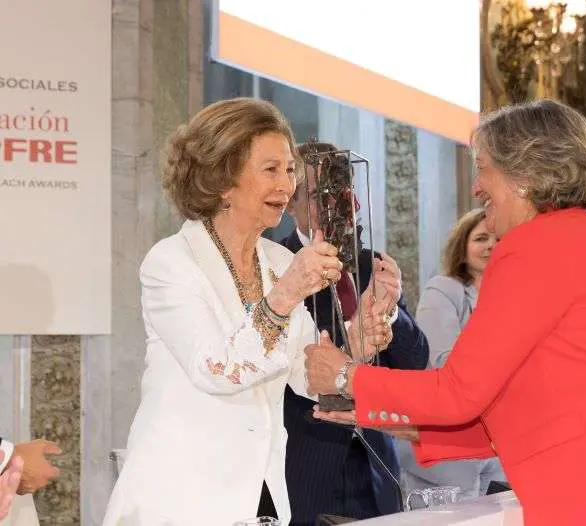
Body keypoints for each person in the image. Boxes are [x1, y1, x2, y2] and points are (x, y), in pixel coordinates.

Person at [305, 99, 586, 525]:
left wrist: (345, 375)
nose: (475, 189)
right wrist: (391, 419)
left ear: (524, 173)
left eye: (483, 168)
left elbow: (457, 392)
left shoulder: (534, 246)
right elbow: (534, 413)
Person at [102, 98, 391, 526]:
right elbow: (216, 370)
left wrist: (356, 341)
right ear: (222, 179)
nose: (286, 184)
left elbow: (308, 378)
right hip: (182, 498)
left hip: (262, 494)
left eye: (290, 169)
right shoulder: (171, 262)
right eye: (270, 169)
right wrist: (287, 293)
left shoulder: (277, 260)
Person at [281, 142, 429, 524]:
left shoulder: (371, 263)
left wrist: (392, 313)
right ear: (292, 203)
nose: (337, 207)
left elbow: (415, 362)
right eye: (320, 196)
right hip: (308, 468)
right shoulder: (278, 265)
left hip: (377, 467)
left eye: (342, 193)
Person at [396, 208, 505, 499]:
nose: (491, 245)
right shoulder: (443, 289)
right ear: (462, 247)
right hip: (447, 439)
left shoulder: (511, 294)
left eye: (497, 238)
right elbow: (445, 363)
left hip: (496, 438)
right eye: (481, 238)